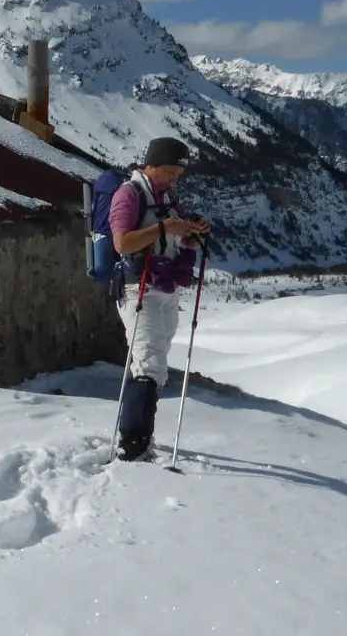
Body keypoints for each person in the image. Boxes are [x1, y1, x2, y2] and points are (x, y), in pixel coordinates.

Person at [110, 136, 210, 461]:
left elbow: (174, 238)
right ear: (150, 164)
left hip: (164, 287)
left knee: (153, 364)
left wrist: (191, 237)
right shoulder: (130, 194)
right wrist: (166, 227)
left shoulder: (167, 197)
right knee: (150, 365)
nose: (173, 179)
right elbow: (122, 243)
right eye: (169, 172)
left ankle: (138, 434)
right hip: (137, 288)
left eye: (177, 174)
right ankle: (133, 446)